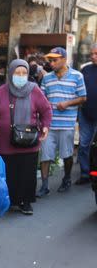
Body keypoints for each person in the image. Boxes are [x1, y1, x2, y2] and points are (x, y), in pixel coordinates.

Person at [0, 59, 52, 215]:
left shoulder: (34, 90)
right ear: (10, 73)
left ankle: (25, 202)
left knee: (27, 173)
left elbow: (46, 110)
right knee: (8, 173)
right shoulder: (0, 92)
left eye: (24, 73)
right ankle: (9, 201)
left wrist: (46, 126)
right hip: (4, 143)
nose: (21, 76)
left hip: (29, 142)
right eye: (17, 72)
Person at [37, 47, 87, 195]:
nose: (51, 63)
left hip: (67, 124)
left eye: (54, 60)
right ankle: (44, 186)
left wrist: (67, 104)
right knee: (45, 155)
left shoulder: (77, 76)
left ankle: (66, 178)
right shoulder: (47, 78)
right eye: (50, 60)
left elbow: (83, 98)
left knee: (67, 155)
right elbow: (42, 98)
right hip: (49, 124)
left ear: (64, 59)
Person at [77, 43, 97, 185]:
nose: (93, 56)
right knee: (84, 144)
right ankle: (85, 173)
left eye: (96, 54)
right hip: (85, 114)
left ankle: (94, 173)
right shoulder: (86, 70)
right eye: (92, 54)